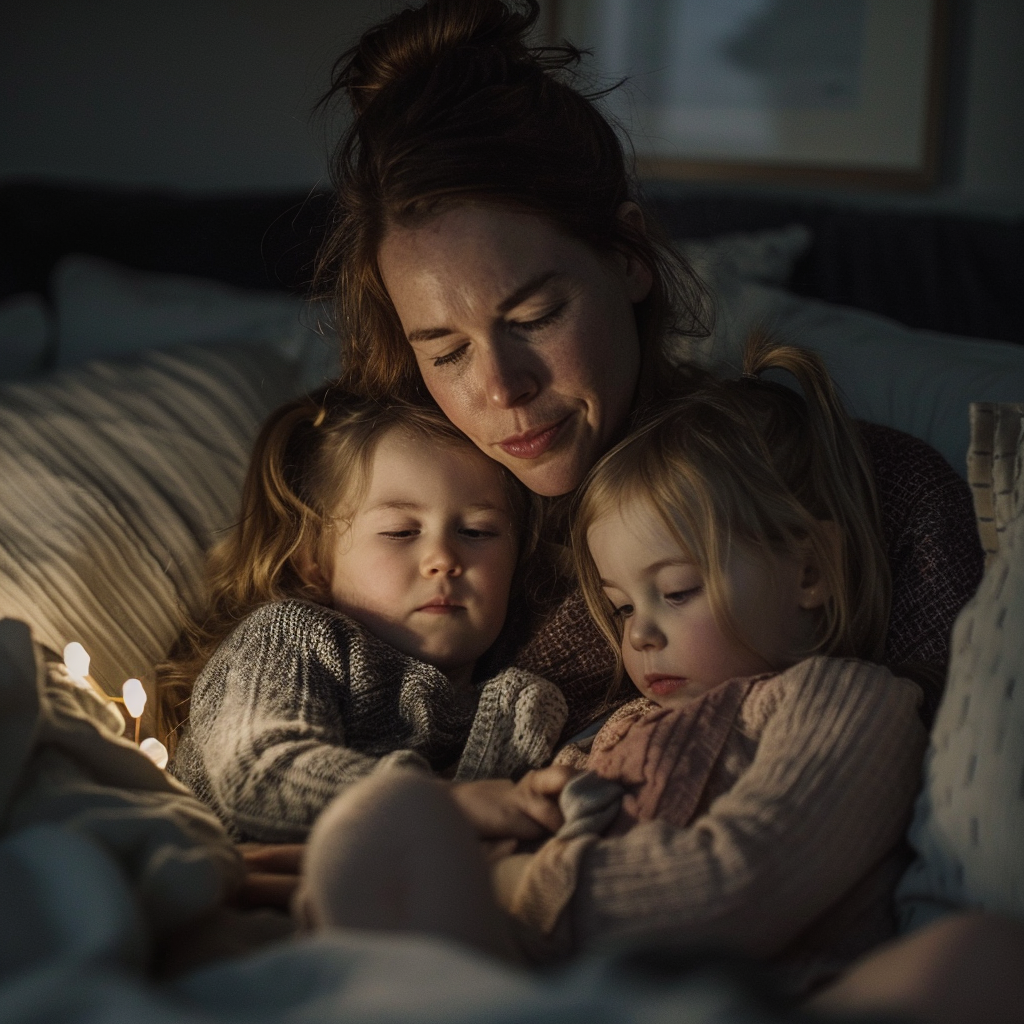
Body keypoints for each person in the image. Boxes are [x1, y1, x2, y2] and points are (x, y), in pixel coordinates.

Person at [313, 0, 982, 732]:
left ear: (629, 258)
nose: (503, 387)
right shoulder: (373, 535)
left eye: (535, 319)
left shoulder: (862, 496)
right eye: (447, 350)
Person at [293, 337, 928, 997]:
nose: (641, 635)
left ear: (810, 571)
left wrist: (509, 891)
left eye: (677, 592)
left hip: (736, 992)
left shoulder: (848, 701)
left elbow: (741, 883)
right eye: (623, 608)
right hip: (563, 982)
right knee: (387, 820)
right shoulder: (620, 726)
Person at [163, 387, 574, 845]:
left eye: (477, 531)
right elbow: (260, 773)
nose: (442, 558)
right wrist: (452, 806)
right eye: (400, 532)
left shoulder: (519, 704)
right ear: (314, 560)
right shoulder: (289, 638)